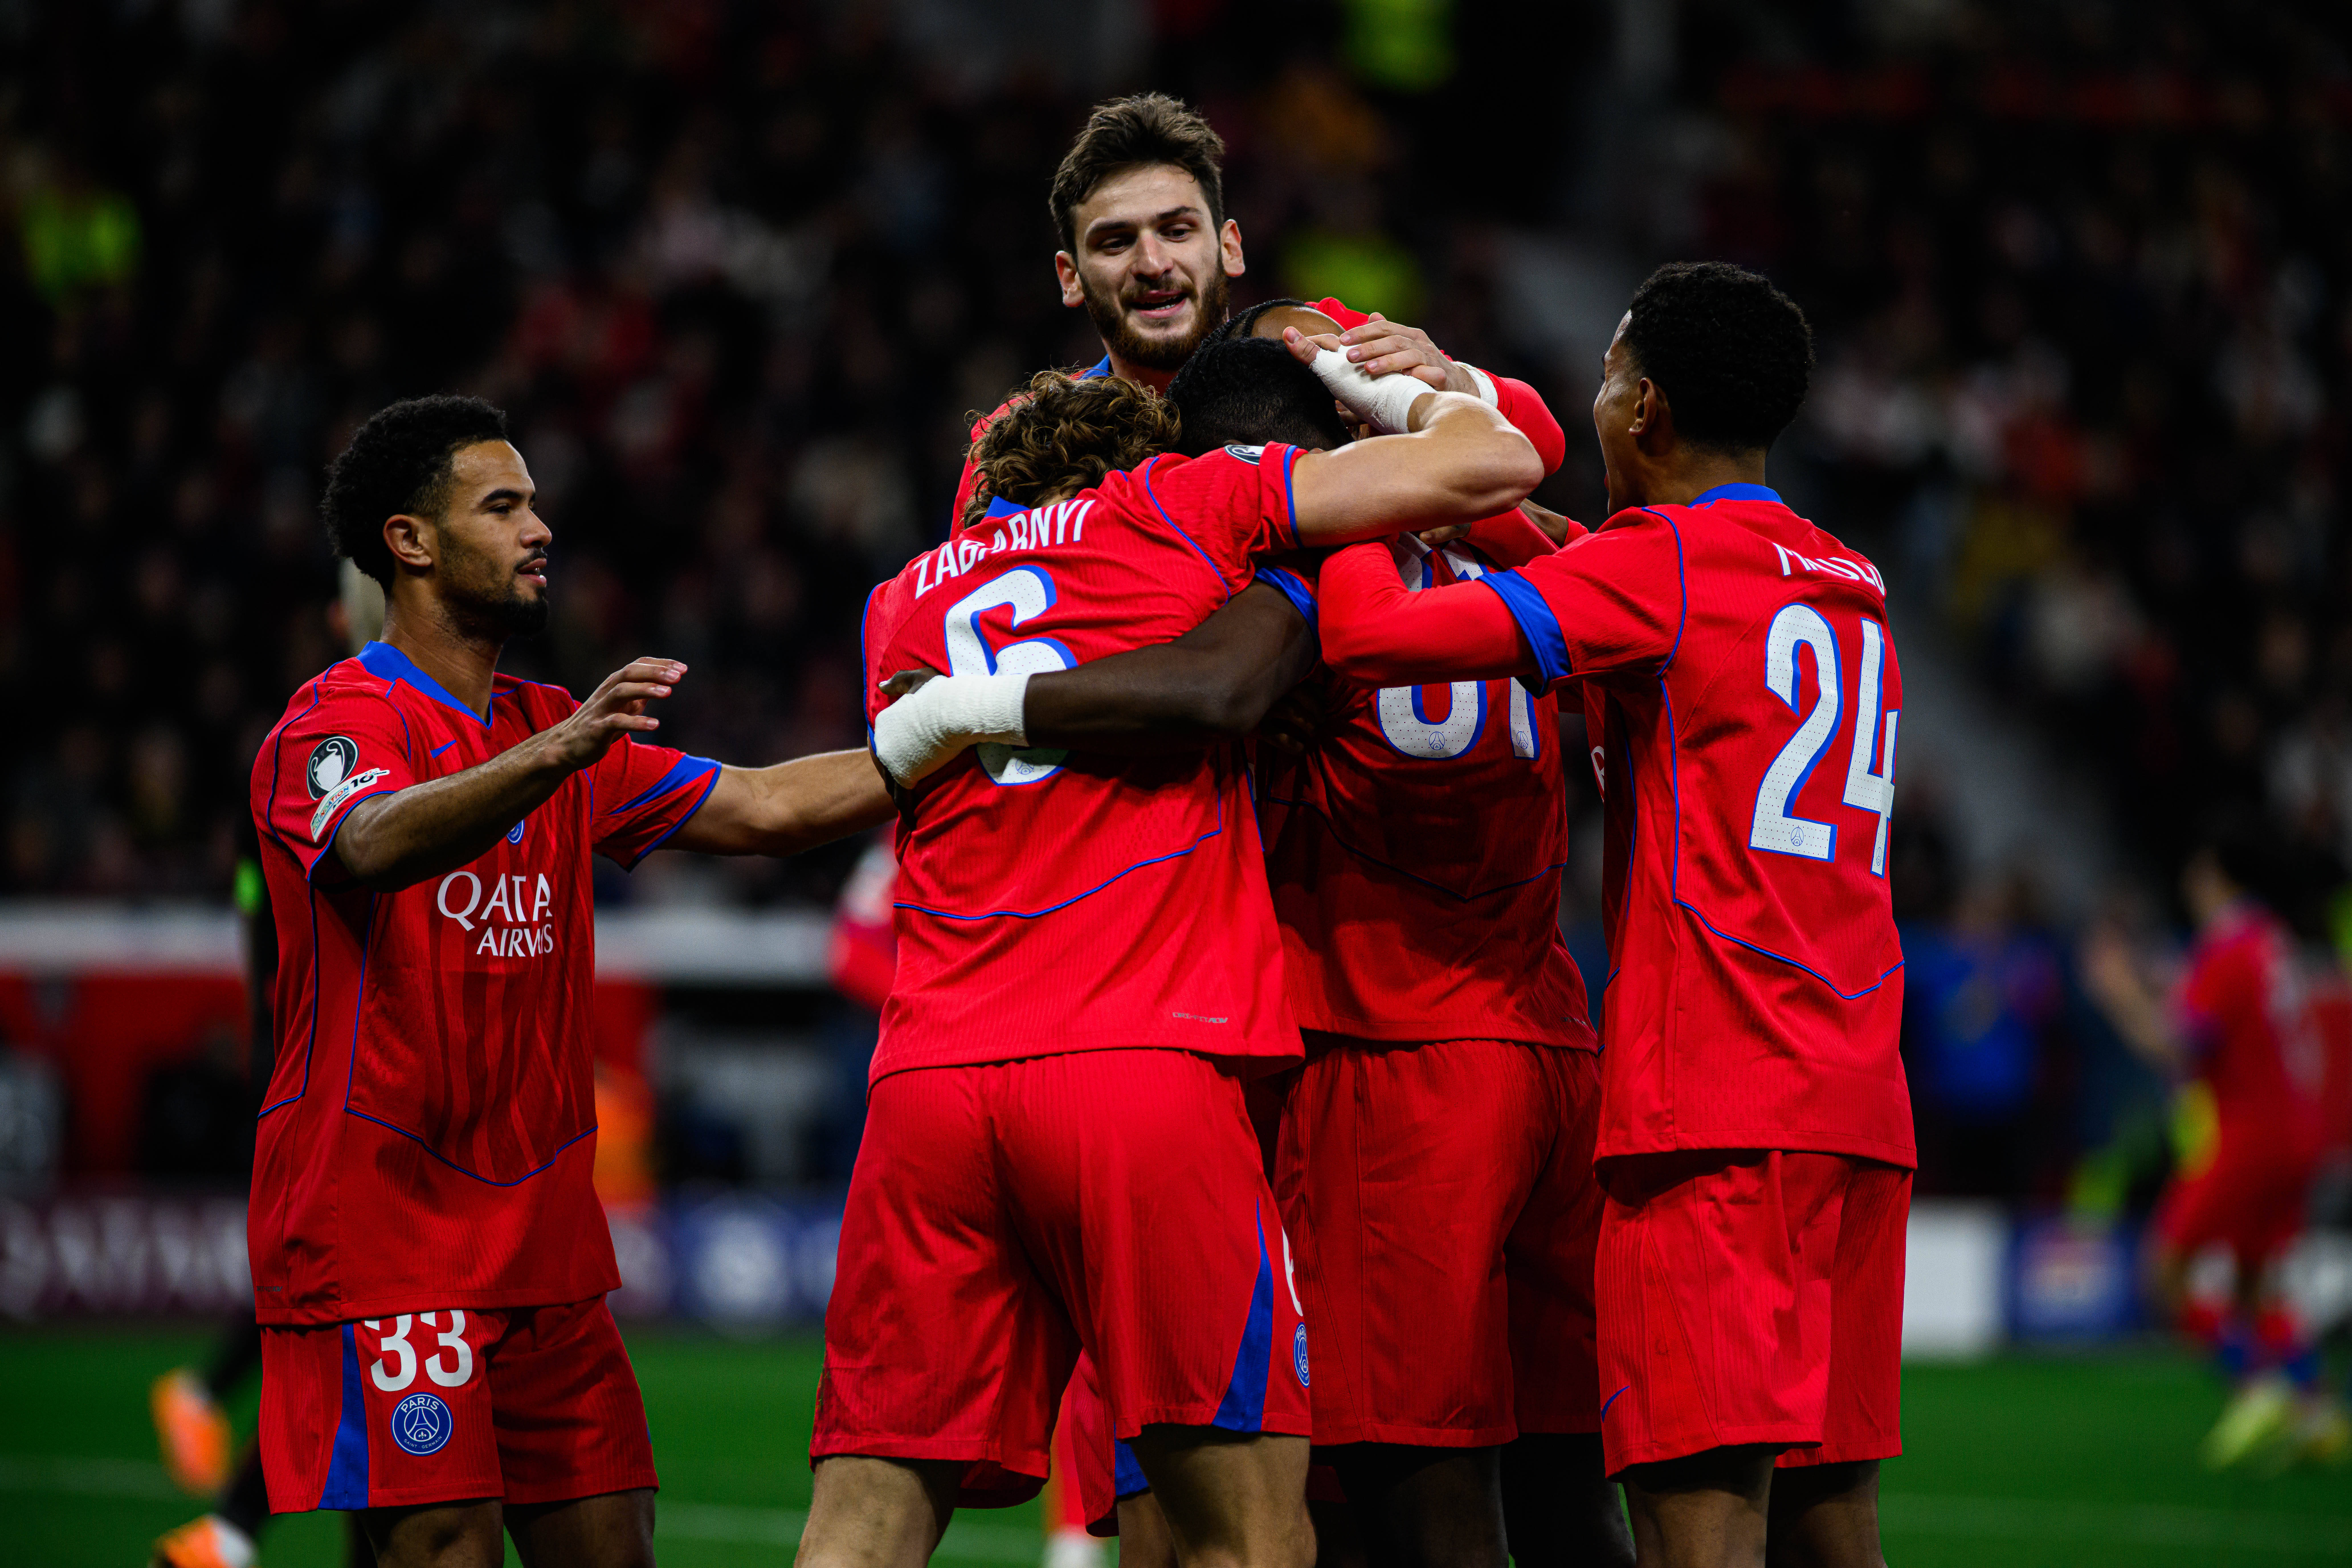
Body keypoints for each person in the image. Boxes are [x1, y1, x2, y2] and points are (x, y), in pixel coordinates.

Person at [877, 318, 1627, 1568]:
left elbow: (1200, 691)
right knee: (1564, 1487)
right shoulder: (1509, 530)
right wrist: (1441, 381)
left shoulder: (1289, 581)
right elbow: (1527, 451)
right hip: (1546, 1022)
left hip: (1381, 1049)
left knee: (1398, 1494)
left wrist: (975, 702)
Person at [1298, 262, 1912, 1568]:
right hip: (1855, 1114)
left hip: (1713, 1114)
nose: (1584, 406)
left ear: (1642, 410)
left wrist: (1362, 495)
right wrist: (1451, 398)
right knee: (1830, 1526)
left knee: (1696, 1528)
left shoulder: (1663, 566)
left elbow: (1370, 645)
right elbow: (1563, 553)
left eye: (1601, 379)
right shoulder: (1842, 577)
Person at [248, 395, 894, 1568]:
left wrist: (983, 732)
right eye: (503, 506)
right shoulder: (335, 721)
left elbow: (769, 805)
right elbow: (372, 839)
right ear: (412, 541)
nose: (540, 528)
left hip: (545, 1248)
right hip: (388, 1237)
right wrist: (552, 756)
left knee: (614, 1544)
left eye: (536, 502)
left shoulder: (554, 725)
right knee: (442, 1544)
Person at [2081, 811, 2344, 1469]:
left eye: (2199, 871)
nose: (2191, 883)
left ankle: (2258, 1387)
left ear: (2218, 876)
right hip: (2301, 1128)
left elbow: (2181, 1044)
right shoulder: (2270, 941)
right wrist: (2150, 981)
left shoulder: (2227, 947)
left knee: (2164, 1269)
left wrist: (2116, 995)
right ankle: (2318, 1414)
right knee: (2259, 1282)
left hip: (2251, 1130)